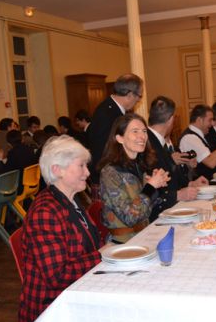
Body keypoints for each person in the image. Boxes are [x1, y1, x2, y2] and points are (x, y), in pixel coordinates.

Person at [19, 135, 102, 322]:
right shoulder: (45, 212)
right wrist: (103, 256)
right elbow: (57, 275)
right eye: (81, 166)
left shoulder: (69, 199)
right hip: (52, 308)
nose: (87, 173)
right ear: (58, 170)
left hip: (75, 293)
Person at [99, 113, 170, 244]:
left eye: (144, 131)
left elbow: (146, 209)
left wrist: (157, 186)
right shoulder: (110, 172)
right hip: (122, 243)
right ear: (119, 138)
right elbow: (130, 217)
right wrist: (150, 187)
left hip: (144, 236)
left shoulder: (139, 166)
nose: (142, 136)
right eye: (135, 131)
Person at [147, 96, 207, 221]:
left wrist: (190, 184)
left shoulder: (158, 141)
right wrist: (177, 195)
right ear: (170, 119)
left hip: (169, 209)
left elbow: (168, 176)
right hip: (157, 216)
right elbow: (148, 186)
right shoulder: (148, 143)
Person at [87, 73, 143, 184]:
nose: (138, 100)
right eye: (139, 96)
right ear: (130, 95)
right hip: (108, 179)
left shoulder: (111, 108)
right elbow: (104, 150)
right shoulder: (109, 114)